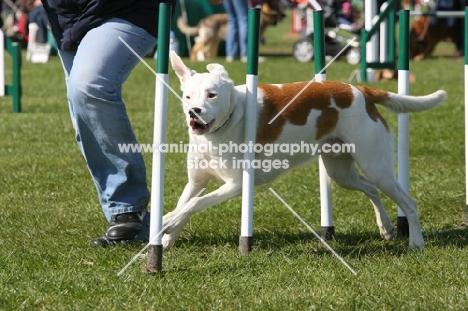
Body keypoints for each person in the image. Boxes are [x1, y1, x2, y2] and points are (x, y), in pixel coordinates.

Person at [40, 0, 224, 247]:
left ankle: (127, 209)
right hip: (67, 14)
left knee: (89, 86)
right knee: (82, 107)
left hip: (129, 8)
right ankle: (133, 225)